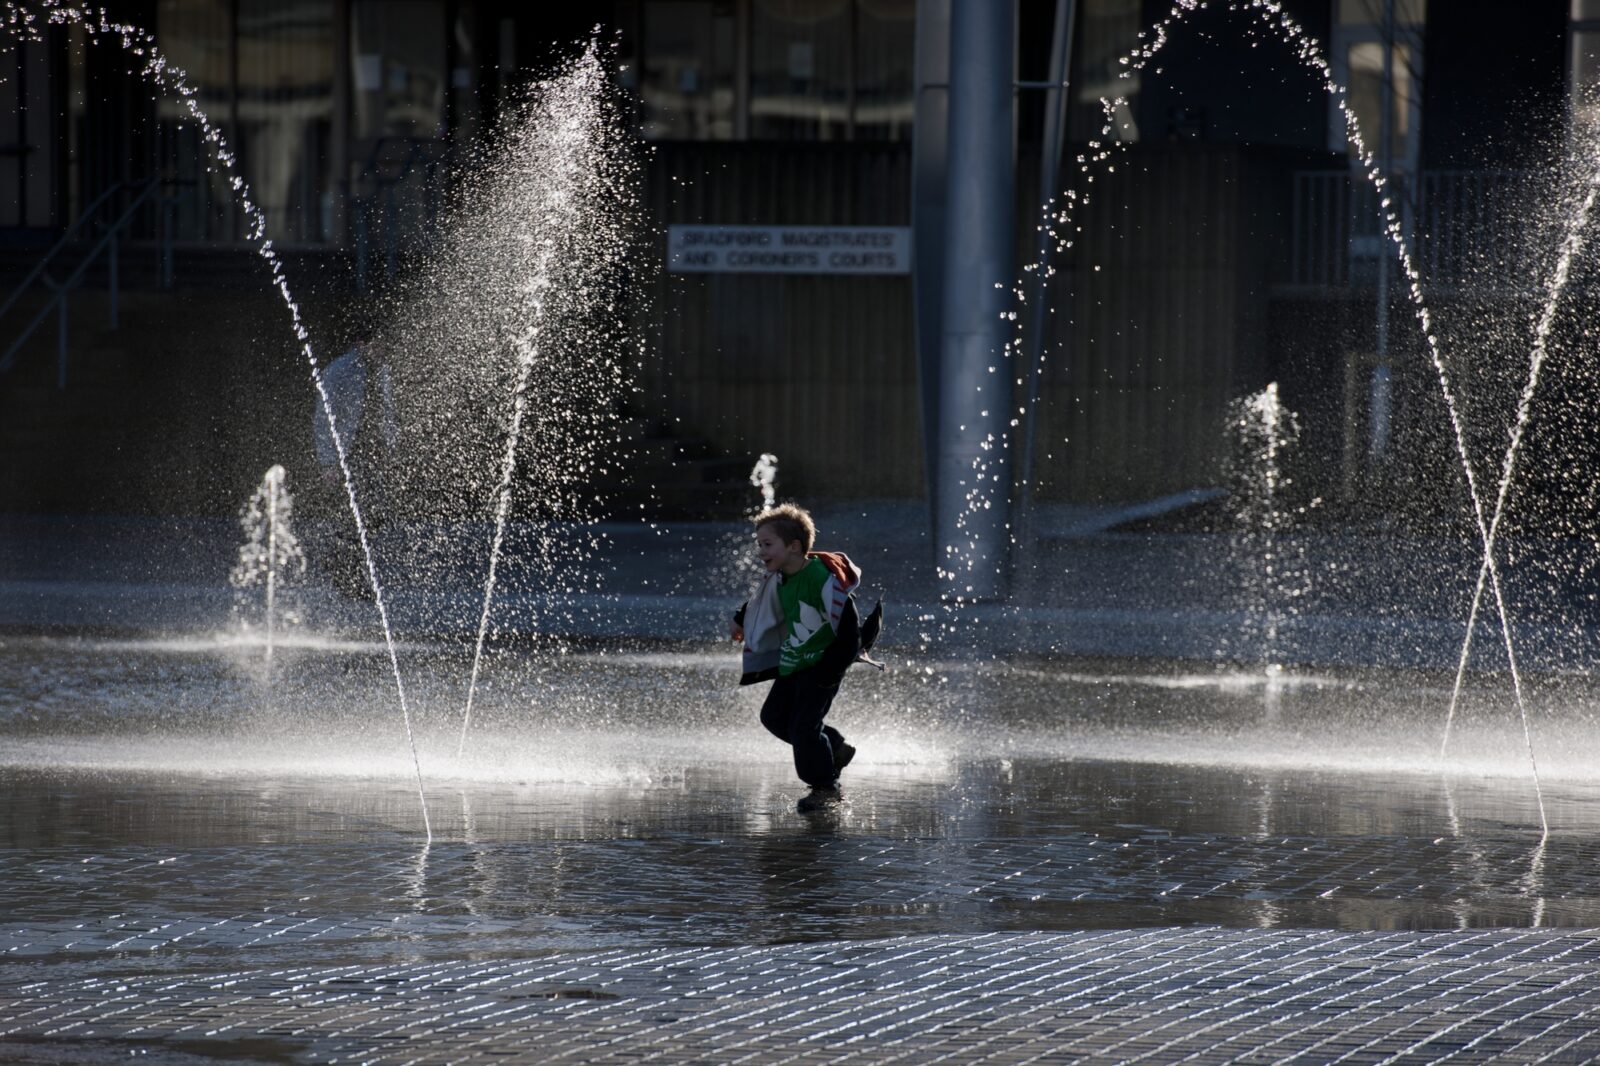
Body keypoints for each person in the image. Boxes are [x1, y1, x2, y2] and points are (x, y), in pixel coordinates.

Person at [731, 503, 874, 812]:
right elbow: (760, 601)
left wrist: (831, 672)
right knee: (773, 718)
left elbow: (850, 634)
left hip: (822, 667)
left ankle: (826, 787)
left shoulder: (823, 580)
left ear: (794, 546)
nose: (760, 552)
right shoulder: (780, 576)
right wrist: (740, 619)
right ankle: (833, 745)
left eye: (767, 544)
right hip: (794, 662)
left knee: (803, 728)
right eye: (759, 545)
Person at [310, 330, 396, 597]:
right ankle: (348, 574)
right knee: (353, 516)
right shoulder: (339, 371)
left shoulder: (381, 370)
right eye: (377, 344)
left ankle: (345, 566)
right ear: (361, 344)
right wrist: (328, 462)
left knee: (374, 515)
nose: (382, 350)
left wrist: (391, 444)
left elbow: (386, 410)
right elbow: (323, 418)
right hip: (348, 454)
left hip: (372, 453)